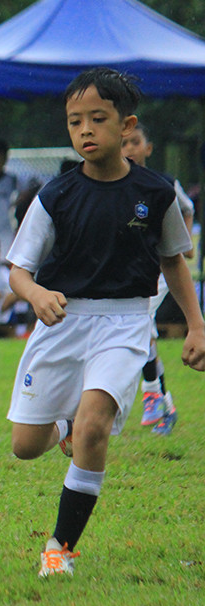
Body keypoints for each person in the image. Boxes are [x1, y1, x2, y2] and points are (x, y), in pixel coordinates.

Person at [6, 68, 205, 578]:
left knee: (95, 427)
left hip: (125, 323)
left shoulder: (156, 194)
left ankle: (61, 546)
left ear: (127, 126)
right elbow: (19, 271)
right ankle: (64, 424)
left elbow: (174, 262)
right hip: (64, 321)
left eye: (99, 118)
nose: (86, 130)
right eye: (76, 122)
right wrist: (36, 294)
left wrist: (197, 326)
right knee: (25, 447)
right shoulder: (55, 196)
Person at [121, 123, 196, 435]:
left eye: (135, 142)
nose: (129, 149)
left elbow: (187, 208)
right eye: (124, 144)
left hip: (158, 270)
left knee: (141, 326)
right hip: (128, 270)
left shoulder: (163, 183)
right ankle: (163, 402)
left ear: (148, 148)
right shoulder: (116, 184)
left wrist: (184, 244)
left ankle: (152, 391)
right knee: (141, 331)